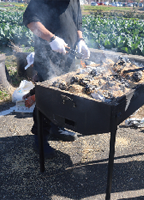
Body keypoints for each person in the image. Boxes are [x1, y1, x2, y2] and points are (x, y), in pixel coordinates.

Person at [22, 0, 90, 158]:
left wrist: (81, 40)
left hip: (69, 58)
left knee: (64, 96)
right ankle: (40, 138)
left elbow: (77, 22)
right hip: (48, 57)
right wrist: (51, 39)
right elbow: (31, 22)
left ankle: (56, 127)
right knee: (46, 98)